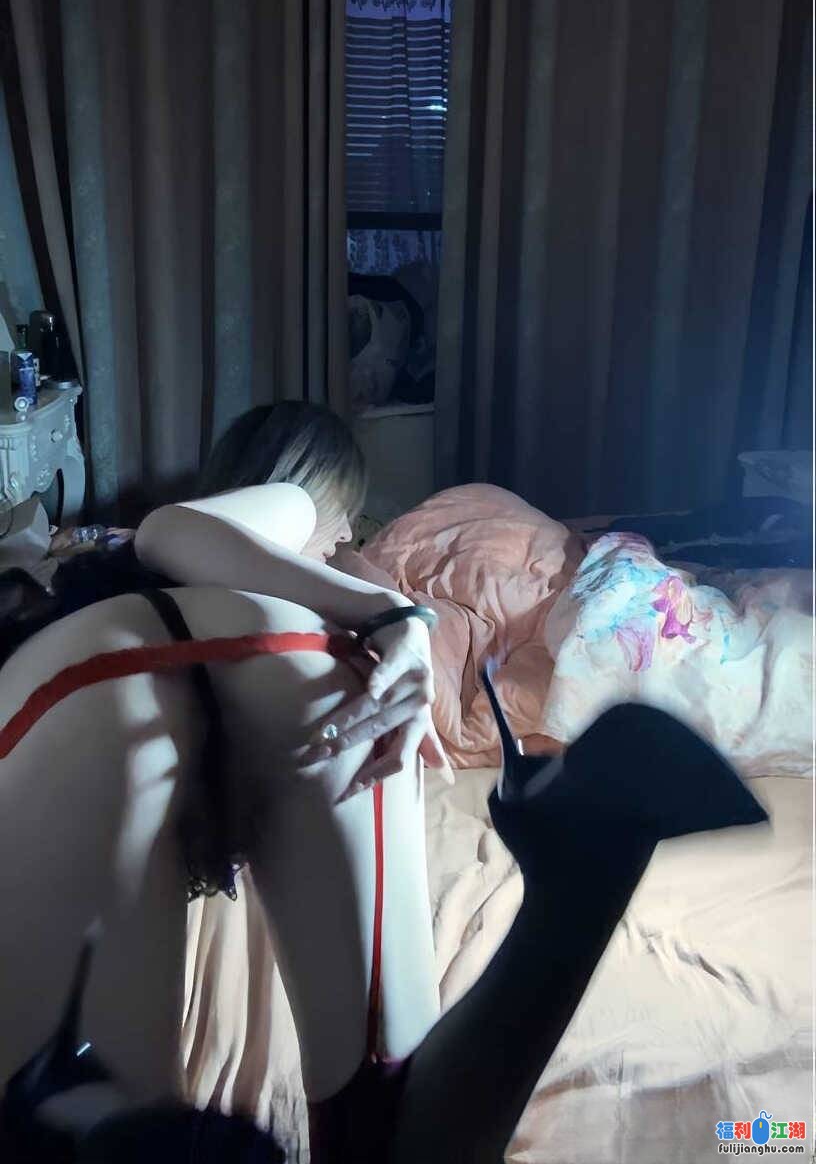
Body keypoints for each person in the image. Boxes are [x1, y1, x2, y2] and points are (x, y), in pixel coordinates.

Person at [0, 402, 768, 1163]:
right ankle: (580, 886)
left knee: (113, 1117)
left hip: (119, 682)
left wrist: (390, 612)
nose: (343, 541)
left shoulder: (261, 557)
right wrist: (388, 609)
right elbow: (172, 530)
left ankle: (578, 887)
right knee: (375, 1107)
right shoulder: (295, 524)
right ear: (325, 492)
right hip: (288, 677)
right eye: (347, 521)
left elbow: (167, 532)